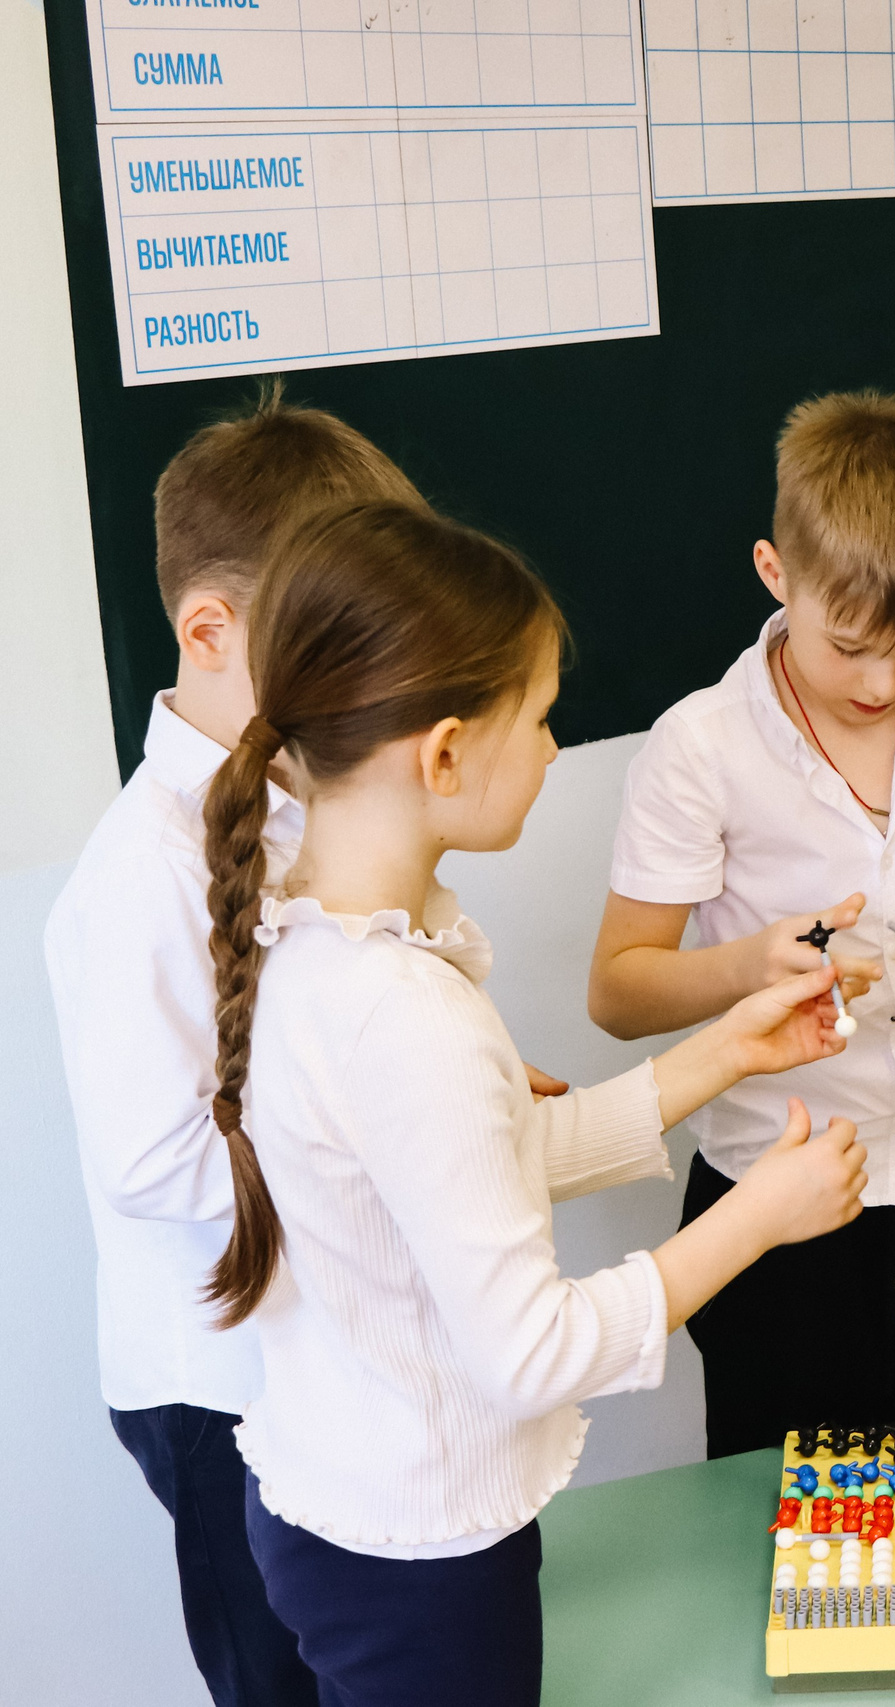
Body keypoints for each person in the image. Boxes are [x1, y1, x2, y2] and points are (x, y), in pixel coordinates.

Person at [200, 500, 867, 1707]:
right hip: (417, 1568)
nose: (558, 751)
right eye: (543, 717)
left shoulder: (319, 943)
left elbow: (475, 1170)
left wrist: (722, 1052)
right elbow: (532, 1351)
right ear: (445, 755)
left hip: (344, 1521)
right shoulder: (406, 1013)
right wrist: (759, 1216)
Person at [43, 387, 426, 1707]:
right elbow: (156, 1158)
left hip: (317, 1359)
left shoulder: (299, 803)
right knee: (283, 1680)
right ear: (210, 632)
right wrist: (389, 1142)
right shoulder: (135, 877)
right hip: (219, 1390)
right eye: (330, 640)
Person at [589, 392, 895, 1448]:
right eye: (849, 646)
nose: (883, 683)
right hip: (784, 1193)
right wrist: (752, 965)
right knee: (798, 1506)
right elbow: (619, 990)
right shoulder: (701, 745)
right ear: (776, 573)